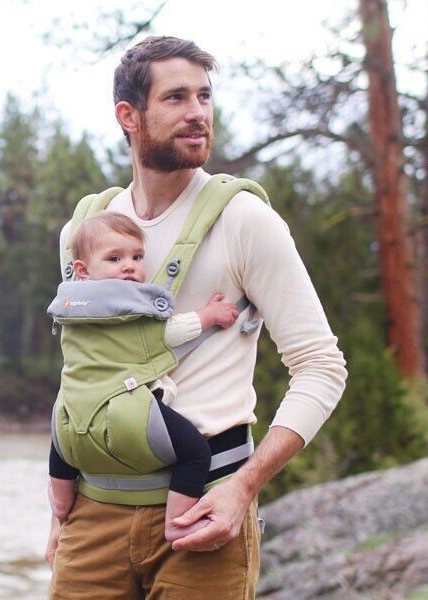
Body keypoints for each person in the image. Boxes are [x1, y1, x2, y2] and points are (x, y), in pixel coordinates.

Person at [46, 36, 347, 599]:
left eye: (205, 97)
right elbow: (85, 369)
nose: (197, 113)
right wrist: (60, 511)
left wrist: (244, 488)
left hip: (205, 510)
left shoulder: (245, 220)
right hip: (92, 516)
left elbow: (321, 366)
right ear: (128, 116)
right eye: (177, 97)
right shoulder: (85, 229)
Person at [49, 210, 241, 542]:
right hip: (124, 410)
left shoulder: (67, 307)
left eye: (137, 256)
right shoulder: (129, 306)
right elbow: (168, 333)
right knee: (195, 452)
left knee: (63, 449)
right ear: (82, 269)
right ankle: (177, 521)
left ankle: (61, 505)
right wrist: (210, 315)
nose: (130, 265)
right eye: (115, 258)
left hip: (68, 411)